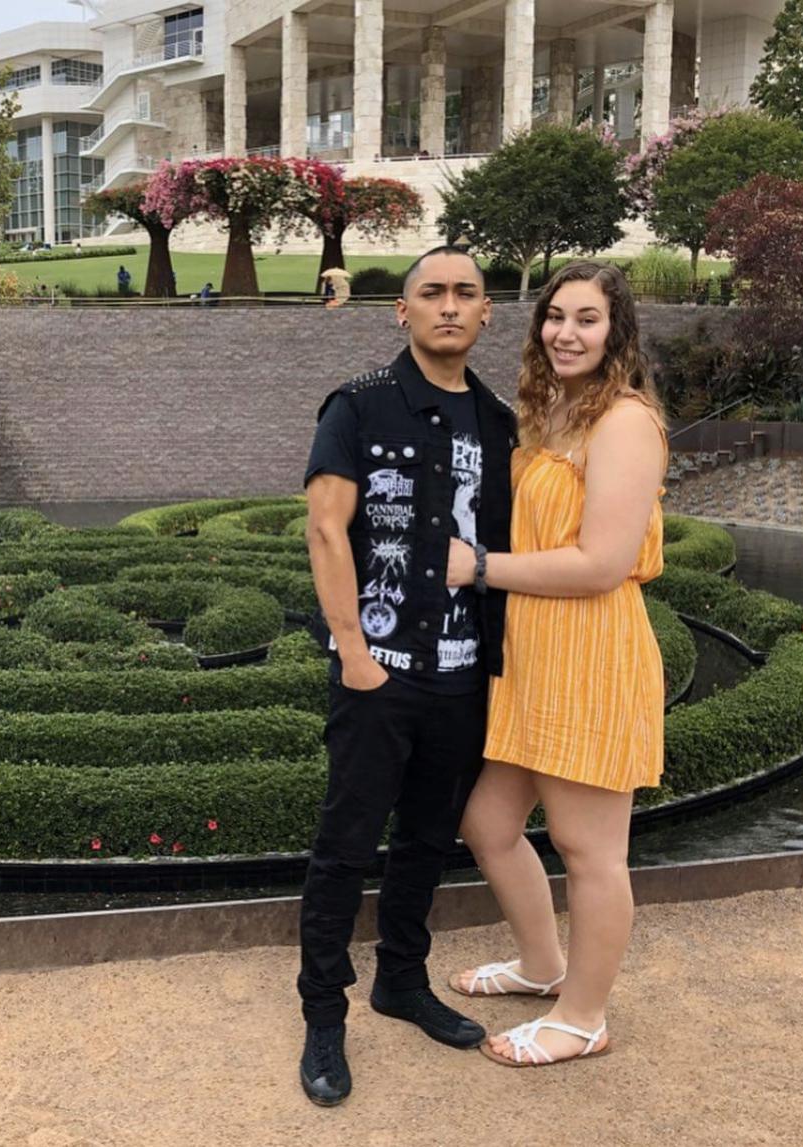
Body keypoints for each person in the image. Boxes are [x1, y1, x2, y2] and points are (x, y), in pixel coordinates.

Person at [299, 246, 516, 1105]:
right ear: (403, 309)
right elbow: (325, 529)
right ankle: (323, 1013)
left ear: (486, 311)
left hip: (461, 678)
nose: (449, 306)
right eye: (432, 292)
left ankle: (400, 979)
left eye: (465, 293)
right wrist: (354, 654)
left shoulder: (499, 422)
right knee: (345, 846)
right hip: (377, 675)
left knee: (428, 841)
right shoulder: (357, 404)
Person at [445, 260, 667, 1068]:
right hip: (534, 653)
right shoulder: (555, 411)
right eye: (555, 316)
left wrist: (476, 567)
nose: (565, 333)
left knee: (587, 848)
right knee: (488, 824)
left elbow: (601, 563)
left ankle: (582, 1017)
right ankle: (542, 966)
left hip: (590, 649)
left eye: (586, 319)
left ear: (616, 332)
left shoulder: (625, 422)